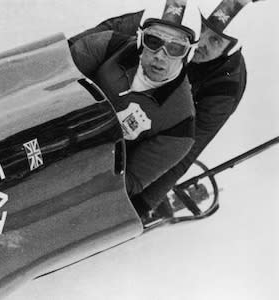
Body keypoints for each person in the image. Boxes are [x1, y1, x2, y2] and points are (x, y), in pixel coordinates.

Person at [70, 0, 262, 217]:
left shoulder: (226, 87)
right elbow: (104, 34)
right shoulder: (170, 25)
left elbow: (190, 144)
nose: (201, 43)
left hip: (152, 131)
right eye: (201, 28)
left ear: (228, 51)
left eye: (215, 40)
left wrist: (143, 203)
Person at [69, 0, 201, 197]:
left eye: (175, 48)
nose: (160, 56)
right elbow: (52, 81)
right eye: (154, 41)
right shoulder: (107, 45)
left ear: (188, 53)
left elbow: (128, 182)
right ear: (140, 40)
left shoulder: (180, 124)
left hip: (78, 173)